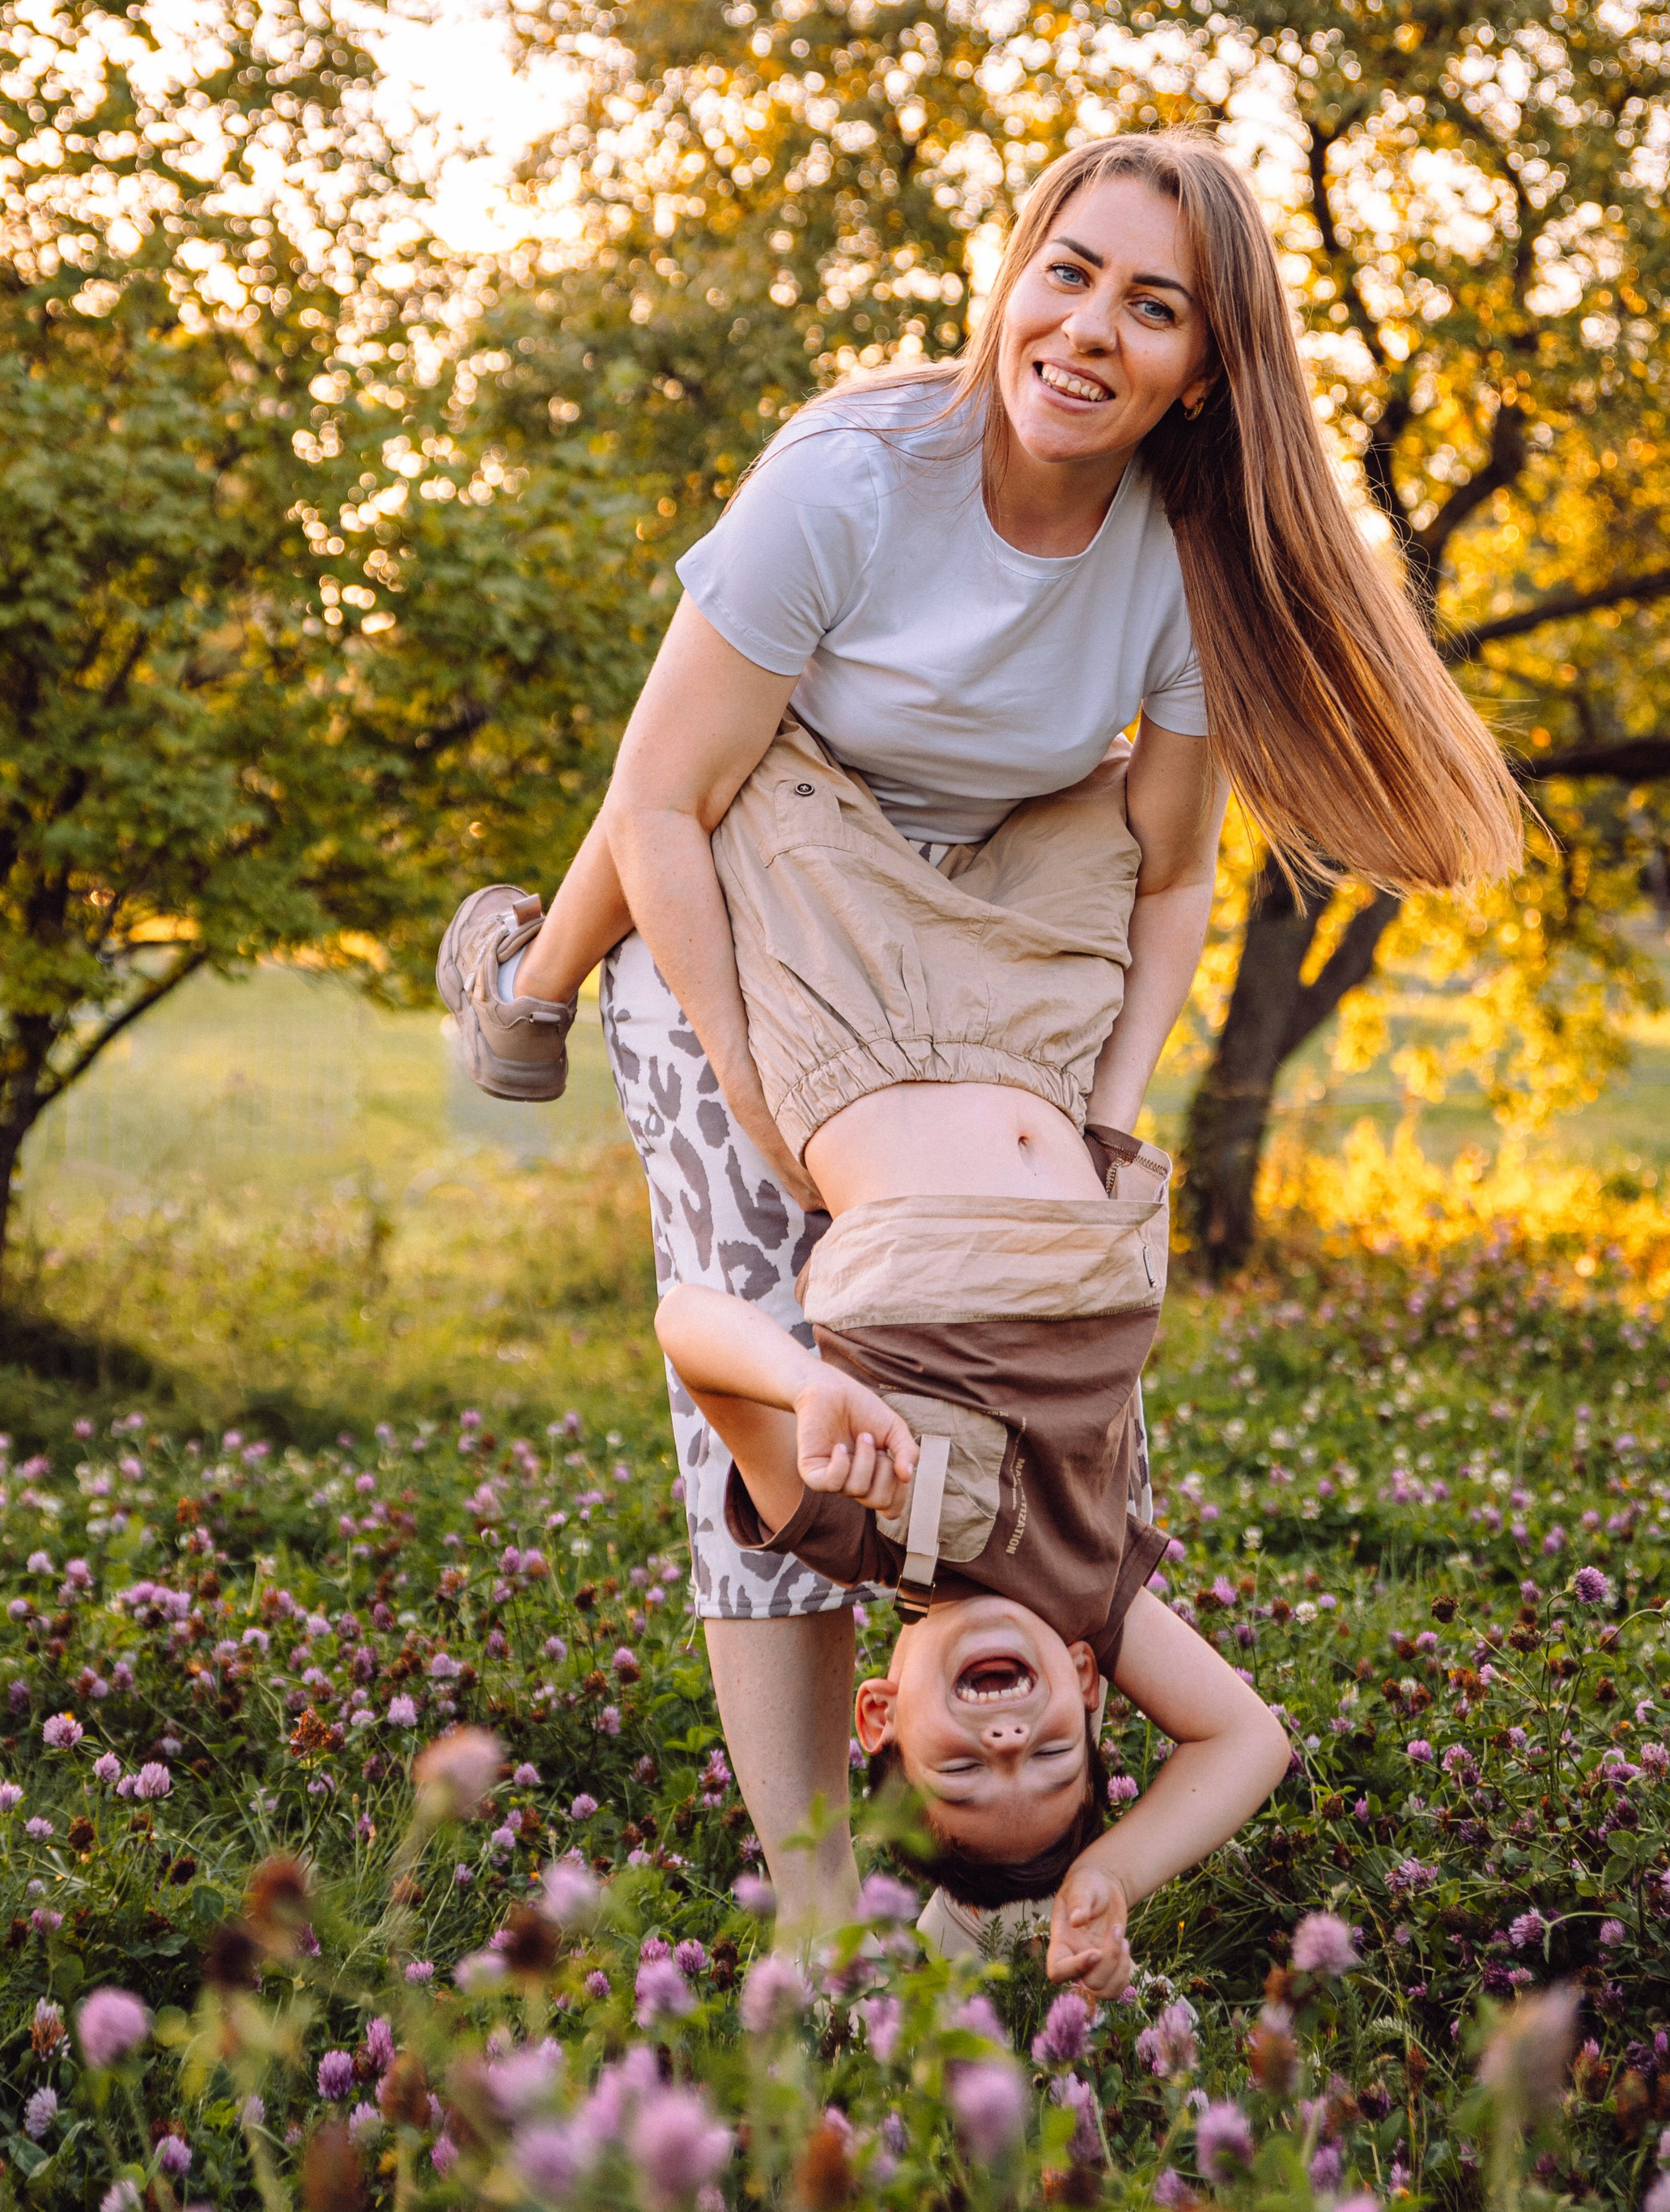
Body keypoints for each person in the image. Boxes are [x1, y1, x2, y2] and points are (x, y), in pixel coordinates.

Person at [438, 130, 1521, 1938]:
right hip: (754, 850)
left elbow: (1166, 870)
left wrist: (1104, 1115)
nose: (1089, 327)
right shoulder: (852, 476)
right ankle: (809, 1892)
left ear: (1202, 371)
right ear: (1010, 276)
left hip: (1003, 894)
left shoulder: (1177, 552)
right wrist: (778, 1111)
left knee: (952, 1345)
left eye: (1151, 305)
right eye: (1066, 269)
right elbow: (655, 806)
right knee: (773, 1285)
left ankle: (528, 982)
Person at [652, 717, 1292, 1989]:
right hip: (1047, 1037)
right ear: (1085, 1688)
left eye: (964, 1763)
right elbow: (1248, 1744)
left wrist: (801, 1379)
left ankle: (527, 973)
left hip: (862, 1023)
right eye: (1051, 1760)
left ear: (877, 1717)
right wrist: (1109, 1874)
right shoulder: (1093, 1599)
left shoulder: (858, 1530)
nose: (1010, 1737)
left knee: (729, 749)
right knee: (1168, 763)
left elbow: (685, 1327)